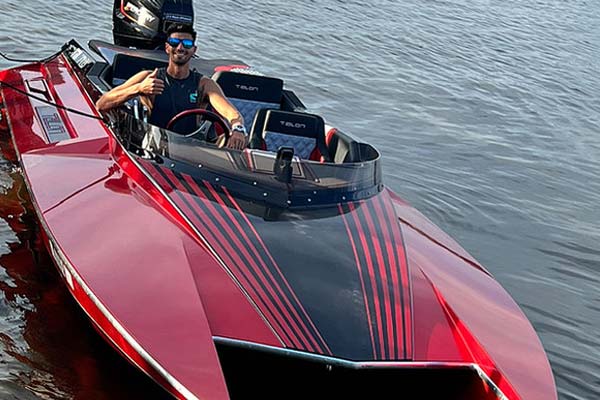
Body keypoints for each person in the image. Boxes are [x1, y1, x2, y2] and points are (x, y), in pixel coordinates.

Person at [96, 24, 247, 150]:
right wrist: (139, 88)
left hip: (193, 152)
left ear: (194, 50)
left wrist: (238, 129)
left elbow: (233, 115)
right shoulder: (148, 77)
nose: (180, 48)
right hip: (154, 149)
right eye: (175, 42)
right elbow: (102, 103)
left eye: (187, 44)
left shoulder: (204, 84)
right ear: (167, 47)